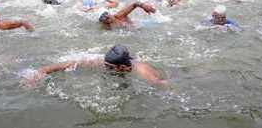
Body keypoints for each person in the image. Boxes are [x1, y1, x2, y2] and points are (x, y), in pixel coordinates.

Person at [24, 44, 167, 87]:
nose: (105, 68)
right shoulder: (101, 62)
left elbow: (163, 84)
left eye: (109, 67)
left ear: (122, 68)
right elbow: (66, 64)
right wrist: (38, 73)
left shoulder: (143, 71)